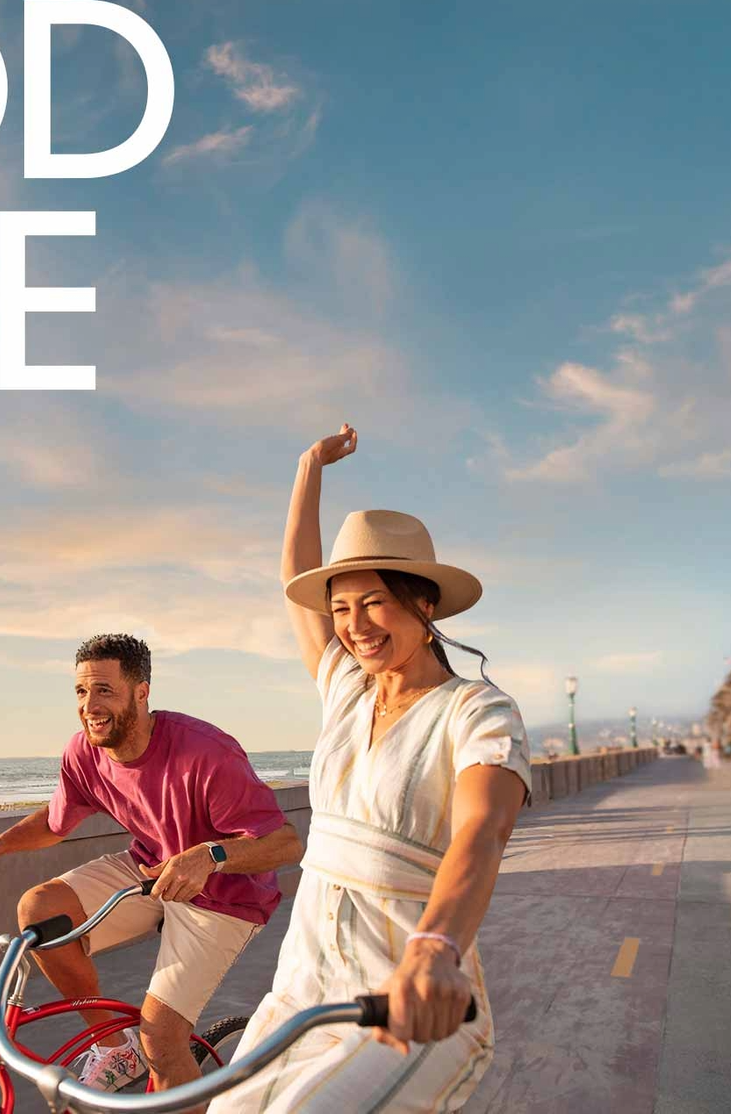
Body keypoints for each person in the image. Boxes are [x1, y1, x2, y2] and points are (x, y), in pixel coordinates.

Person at [209, 426, 530, 1114]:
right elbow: (295, 581)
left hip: (411, 1003)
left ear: (425, 603)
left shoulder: (478, 712)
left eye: (374, 602)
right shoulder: (346, 689)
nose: (355, 626)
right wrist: (307, 470)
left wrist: (436, 948)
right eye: (342, 609)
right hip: (303, 990)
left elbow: (483, 832)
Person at [0, 633, 302, 1102]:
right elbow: (57, 823)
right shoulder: (85, 752)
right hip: (150, 870)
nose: (89, 705)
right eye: (81, 691)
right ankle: (115, 1048)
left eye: (104, 691)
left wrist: (210, 855)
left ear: (141, 693)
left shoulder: (206, 752)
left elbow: (284, 843)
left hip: (225, 895)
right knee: (39, 910)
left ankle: (155, 1060)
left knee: (162, 1037)